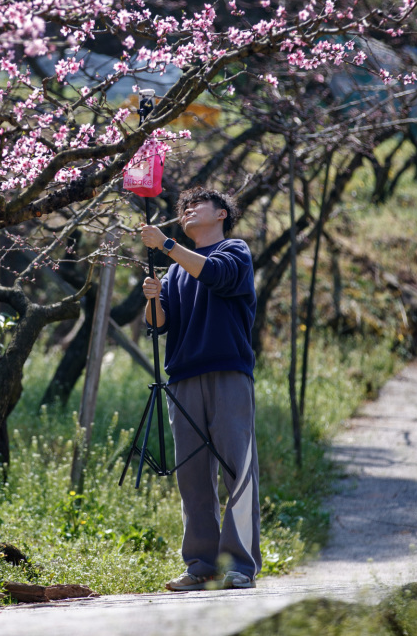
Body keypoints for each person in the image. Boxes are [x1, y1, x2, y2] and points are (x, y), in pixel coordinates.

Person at [139, 186, 261, 591]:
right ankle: (201, 566)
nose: (188, 209)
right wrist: (153, 299)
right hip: (183, 379)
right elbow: (159, 324)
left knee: (237, 472)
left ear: (222, 213)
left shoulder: (234, 251)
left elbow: (215, 275)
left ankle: (240, 565)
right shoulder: (176, 270)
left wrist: (167, 243)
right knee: (192, 478)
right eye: (183, 207)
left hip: (228, 373)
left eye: (197, 205)